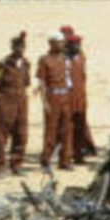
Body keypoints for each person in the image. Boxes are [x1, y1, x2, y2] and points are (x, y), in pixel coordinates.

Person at [0, 31, 31, 177]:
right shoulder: (3, 63)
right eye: (17, 47)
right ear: (12, 47)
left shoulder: (26, 63)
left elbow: (26, 82)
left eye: (22, 47)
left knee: (21, 133)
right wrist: (3, 97)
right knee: (2, 135)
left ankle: (17, 164)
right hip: (6, 100)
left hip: (21, 101)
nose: (19, 50)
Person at [36, 33, 74, 172]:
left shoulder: (65, 60)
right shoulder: (45, 60)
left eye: (62, 42)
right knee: (51, 131)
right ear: (51, 43)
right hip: (53, 97)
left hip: (65, 96)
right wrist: (45, 102)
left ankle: (65, 160)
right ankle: (46, 160)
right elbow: (41, 82)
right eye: (58, 42)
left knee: (66, 130)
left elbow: (70, 80)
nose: (62, 44)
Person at [63, 31, 96, 161]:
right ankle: (67, 154)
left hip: (80, 97)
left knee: (80, 126)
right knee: (68, 127)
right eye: (75, 44)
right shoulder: (64, 60)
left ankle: (79, 154)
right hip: (68, 97)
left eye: (78, 44)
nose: (78, 47)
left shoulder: (81, 58)